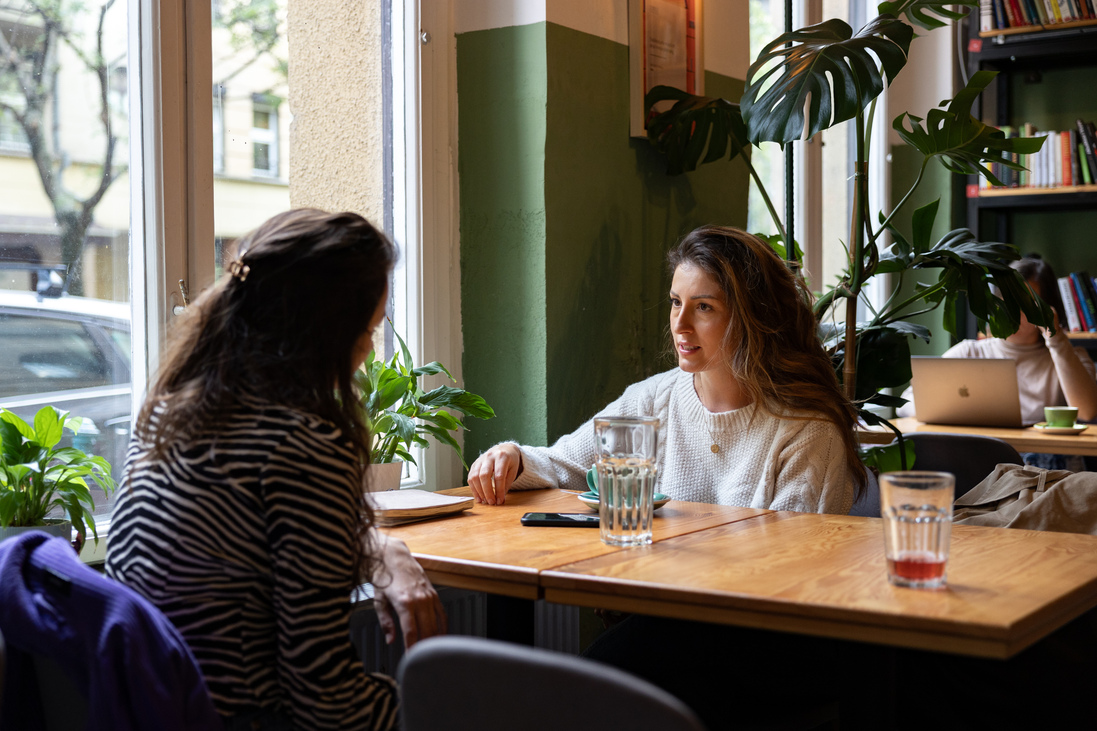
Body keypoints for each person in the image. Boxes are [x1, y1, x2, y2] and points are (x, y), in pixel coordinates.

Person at [106, 209, 446, 731]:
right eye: (367, 330)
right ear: (326, 332)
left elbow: (240, 540)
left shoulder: (166, 416)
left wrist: (377, 547)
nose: (370, 349)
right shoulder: (303, 444)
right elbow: (327, 704)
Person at [468, 224, 866, 514]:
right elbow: (564, 464)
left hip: (746, 626)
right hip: (659, 607)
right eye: (676, 302)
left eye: (704, 307)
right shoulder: (651, 399)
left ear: (752, 318)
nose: (679, 323)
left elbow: (791, 570)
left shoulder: (807, 431)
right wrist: (512, 457)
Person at [898, 256, 1097, 468]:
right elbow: (906, 403)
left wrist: (1056, 339)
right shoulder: (969, 352)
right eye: (1007, 299)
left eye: (1026, 303)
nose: (1014, 310)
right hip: (980, 464)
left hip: (1046, 470)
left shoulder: (1071, 357)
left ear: (1047, 307)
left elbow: (1087, 411)